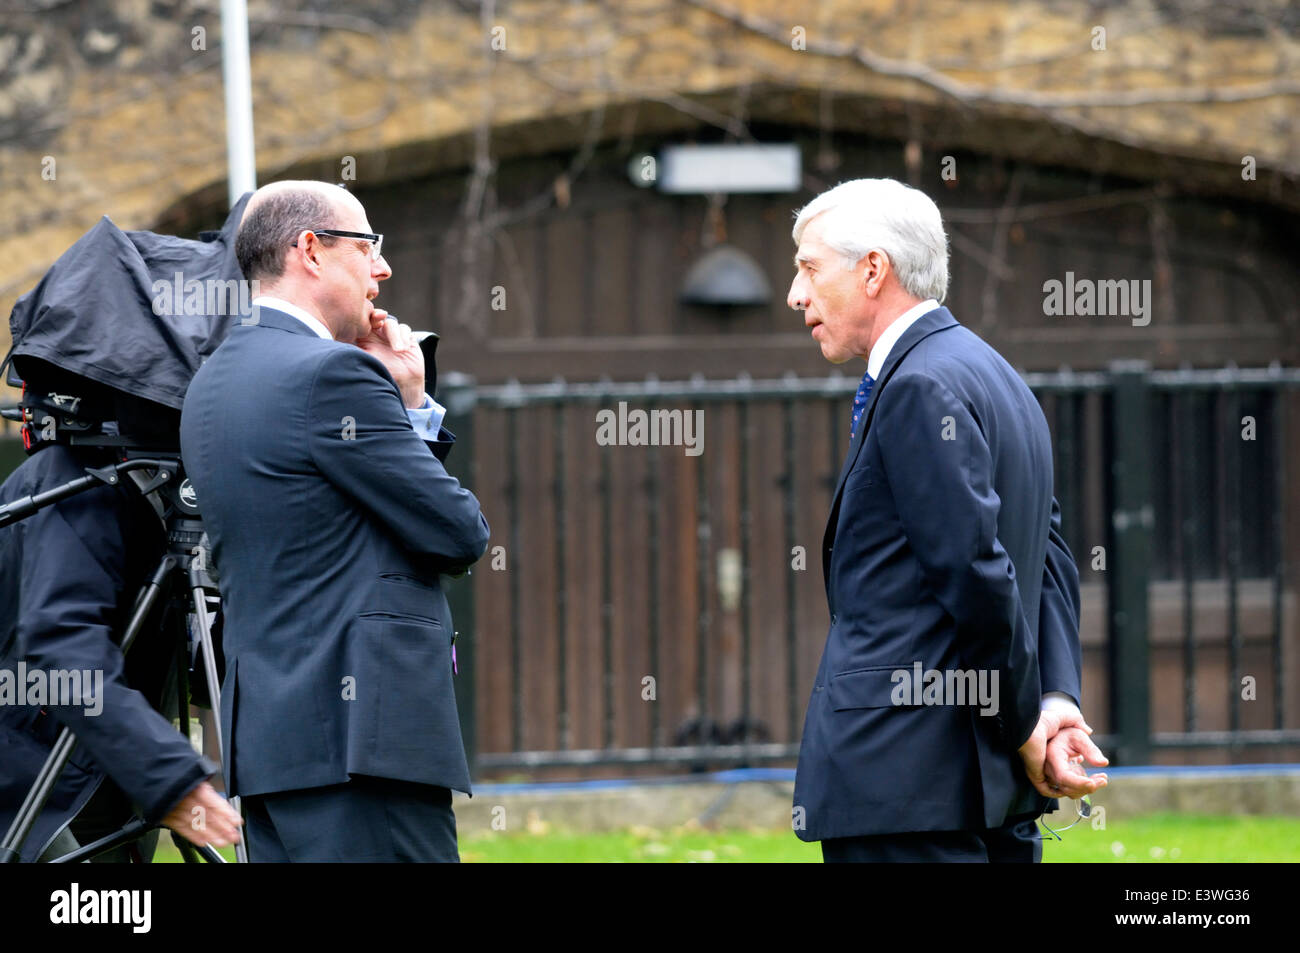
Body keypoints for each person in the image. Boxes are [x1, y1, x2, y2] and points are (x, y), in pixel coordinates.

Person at [787, 178, 1107, 863]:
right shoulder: (997, 375)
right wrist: (1053, 697)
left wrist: (1025, 722)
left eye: (810, 268)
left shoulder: (916, 386)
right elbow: (1049, 557)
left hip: (907, 795)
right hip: (983, 791)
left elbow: (975, 572)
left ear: (874, 269)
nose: (796, 293)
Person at [179, 181, 490, 862]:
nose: (382, 268)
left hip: (272, 749)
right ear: (310, 250)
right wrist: (413, 406)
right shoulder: (332, 376)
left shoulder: (211, 382)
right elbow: (457, 532)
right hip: (363, 750)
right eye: (368, 246)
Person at [0, 373, 242, 862]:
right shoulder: (66, 484)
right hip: (43, 770)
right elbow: (62, 648)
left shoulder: (156, 498)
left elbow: (203, 675)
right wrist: (167, 777)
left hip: (110, 766)